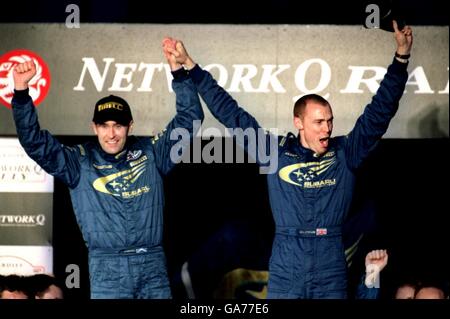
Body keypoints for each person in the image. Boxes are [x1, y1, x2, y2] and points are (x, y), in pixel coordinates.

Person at [164, 20, 413, 298]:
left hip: (330, 264)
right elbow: (231, 114)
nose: (327, 128)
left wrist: (401, 58)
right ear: (299, 122)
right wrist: (192, 67)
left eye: (329, 121)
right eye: (318, 122)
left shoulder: (346, 151)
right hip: (286, 264)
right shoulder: (275, 152)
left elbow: (380, 112)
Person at [10, 39, 204, 299]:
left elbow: (190, 119)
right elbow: (35, 143)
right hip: (107, 269)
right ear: (94, 127)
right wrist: (21, 94)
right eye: (104, 126)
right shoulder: (78, 161)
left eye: (118, 125)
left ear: (130, 126)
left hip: (152, 266)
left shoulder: (152, 152)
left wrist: (179, 74)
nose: (111, 134)